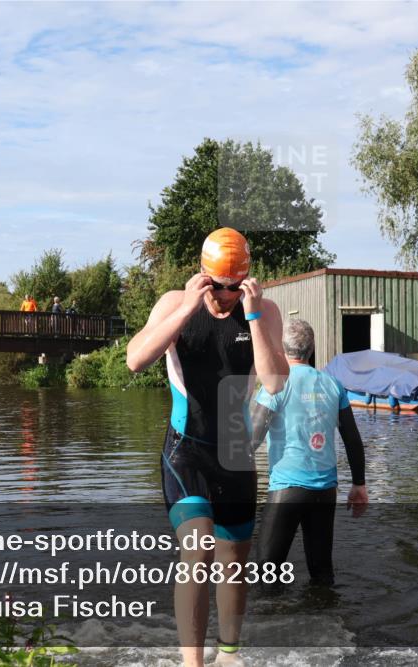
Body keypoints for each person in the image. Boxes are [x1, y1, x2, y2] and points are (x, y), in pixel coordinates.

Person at [126, 227, 289, 667]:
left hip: (235, 451)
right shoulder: (172, 303)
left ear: (247, 280)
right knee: (197, 548)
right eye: (218, 286)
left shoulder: (264, 311)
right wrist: (183, 311)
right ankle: (192, 663)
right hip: (187, 449)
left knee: (233, 561)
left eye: (235, 287)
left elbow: (275, 381)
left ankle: (229, 656)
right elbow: (136, 359)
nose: (225, 295)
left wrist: (252, 318)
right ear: (202, 274)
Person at [249, 318, 369, 587]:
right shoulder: (333, 384)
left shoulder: (274, 385)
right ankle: (327, 622)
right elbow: (352, 437)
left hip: (287, 489)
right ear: (311, 349)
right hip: (325, 491)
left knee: (266, 577)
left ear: (281, 350)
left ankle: (272, 625)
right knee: (322, 573)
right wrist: (359, 484)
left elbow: (249, 441)